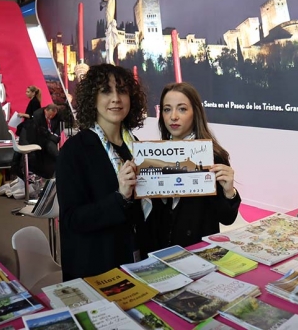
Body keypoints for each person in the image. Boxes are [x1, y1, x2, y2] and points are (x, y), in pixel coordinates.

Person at [56, 64, 147, 280]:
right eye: (106, 91)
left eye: (122, 90)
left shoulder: (137, 148)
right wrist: (120, 198)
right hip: (94, 268)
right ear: (92, 99)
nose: (116, 98)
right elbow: (72, 219)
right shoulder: (74, 151)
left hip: (135, 262)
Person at [138, 82, 241, 255]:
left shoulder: (213, 156)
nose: (173, 117)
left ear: (195, 113)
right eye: (167, 109)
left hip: (197, 253)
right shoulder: (150, 157)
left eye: (182, 109)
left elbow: (227, 218)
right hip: (157, 253)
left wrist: (229, 192)